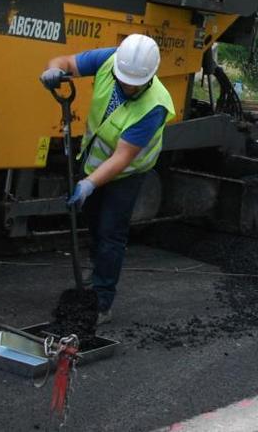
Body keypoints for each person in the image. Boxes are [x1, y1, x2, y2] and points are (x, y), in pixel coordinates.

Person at [39, 34, 175, 324]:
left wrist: (88, 184)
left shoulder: (155, 107)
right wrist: (53, 69)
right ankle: (95, 262)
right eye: (123, 79)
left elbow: (122, 158)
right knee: (93, 221)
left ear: (149, 78)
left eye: (134, 84)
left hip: (127, 173)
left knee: (111, 232)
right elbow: (66, 62)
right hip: (94, 161)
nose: (127, 86)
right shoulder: (113, 59)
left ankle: (102, 302)